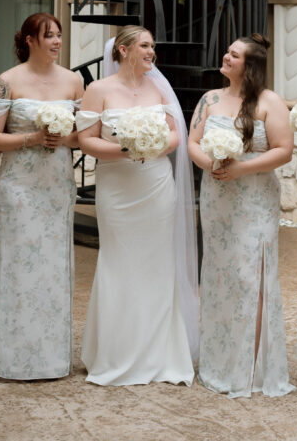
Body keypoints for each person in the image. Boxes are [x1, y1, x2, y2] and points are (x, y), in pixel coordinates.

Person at [76, 25, 197, 386]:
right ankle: (115, 352)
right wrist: (126, 150)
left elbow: (176, 136)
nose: (151, 52)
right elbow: (86, 141)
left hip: (156, 186)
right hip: (117, 188)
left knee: (156, 265)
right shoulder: (98, 90)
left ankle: (160, 355)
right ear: (124, 49)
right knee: (118, 261)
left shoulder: (159, 89)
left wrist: (152, 147)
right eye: (145, 46)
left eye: (152, 46)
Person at [188, 33, 294, 398]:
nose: (225, 57)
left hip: (254, 199)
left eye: (233, 55)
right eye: (228, 52)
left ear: (249, 66)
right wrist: (211, 163)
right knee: (220, 273)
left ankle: (249, 366)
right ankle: (218, 360)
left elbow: (283, 151)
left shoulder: (269, 101)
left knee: (252, 276)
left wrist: (240, 169)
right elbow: (192, 142)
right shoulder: (210, 99)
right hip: (218, 197)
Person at [0, 13, 83, 379]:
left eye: (58, 36)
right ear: (29, 40)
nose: (57, 42)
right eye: (49, 36)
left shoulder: (74, 80)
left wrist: (62, 138)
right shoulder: (7, 81)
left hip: (56, 185)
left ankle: (51, 357)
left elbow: (81, 135)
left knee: (52, 267)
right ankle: (10, 355)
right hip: (19, 186)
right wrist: (33, 138)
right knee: (18, 264)